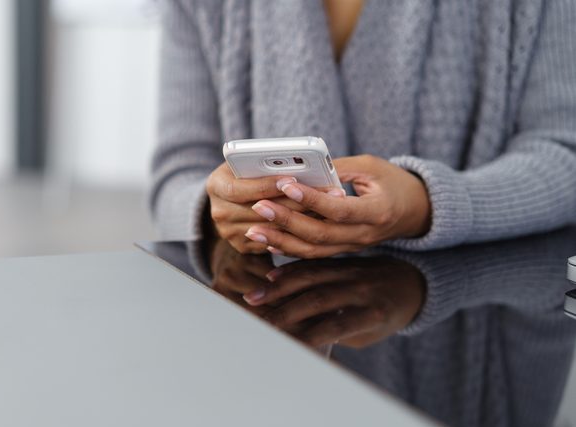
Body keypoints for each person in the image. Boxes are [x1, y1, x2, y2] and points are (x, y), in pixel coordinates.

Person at [150, 0, 576, 258]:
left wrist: (429, 204)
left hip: (477, 324)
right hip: (270, 344)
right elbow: (175, 176)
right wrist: (217, 208)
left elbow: (564, 154)